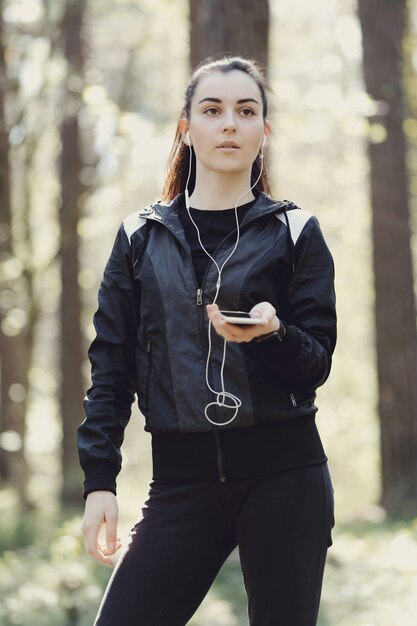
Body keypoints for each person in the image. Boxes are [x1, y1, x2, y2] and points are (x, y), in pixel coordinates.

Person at [77, 55, 337, 626]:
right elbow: (111, 369)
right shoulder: (139, 237)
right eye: (212, 110)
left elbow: (315, 364)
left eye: (246, 111)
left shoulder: (296, 232)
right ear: (185, 127)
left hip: (286, 476)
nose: (229, 124)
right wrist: (100, 481)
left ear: (263, 131)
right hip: (181, 480)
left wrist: (273, 335)